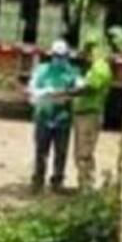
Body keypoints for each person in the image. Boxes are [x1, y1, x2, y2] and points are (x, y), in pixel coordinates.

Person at [28, 39, 81, 193]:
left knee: (61, 152)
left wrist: (73, 90)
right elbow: (32, 89)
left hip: (62, 119)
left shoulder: (72, 72)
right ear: (52, 55)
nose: (59, 59)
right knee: (41, 151)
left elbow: (79, 86)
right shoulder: (42, 70)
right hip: (43, 117)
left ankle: (57, 182)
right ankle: (37, 181)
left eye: (62, 56)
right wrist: (47, 92)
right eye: (57, 56)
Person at [72, 35, 114, 191]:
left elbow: (91, 87)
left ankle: (86, 186)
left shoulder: (100, 67)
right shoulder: (93, 67)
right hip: (84, 113)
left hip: (90, 114)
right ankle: (83, 184)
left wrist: (72, 90)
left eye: (89, 50)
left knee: (84, 152)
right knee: (80, 151)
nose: (87, 54)